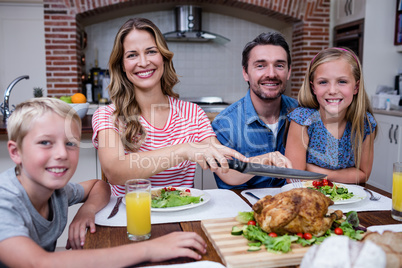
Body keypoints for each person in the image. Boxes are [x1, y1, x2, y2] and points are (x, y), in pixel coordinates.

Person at [0, 98, 207, 267]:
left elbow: (99, 185)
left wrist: (87, 210)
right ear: (15, 152)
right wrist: (150, 249)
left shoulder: (57, 192)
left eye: (70, 143)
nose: (62, 153)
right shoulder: (5, 200)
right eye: (45, 143)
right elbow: (37, 263)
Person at [92, 18, 248, 196]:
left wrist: (266, 162)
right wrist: (184, 150)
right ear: (122, 65)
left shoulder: (193, 114)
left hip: (181, 217)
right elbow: (115, 172)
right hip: (129, 218)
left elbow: (229, 173)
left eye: (151, 51)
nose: (143, 62)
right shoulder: (108, 115)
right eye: (132, 55)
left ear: (163, 58)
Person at [211, 32, 297, 189]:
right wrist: (263, 159)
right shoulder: (224, 124)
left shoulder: (300, 114)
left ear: (288, 71)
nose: (271, 74)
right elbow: (227, 174)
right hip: (243, 209)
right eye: (260, 66)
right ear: (245, 73)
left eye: (279, 65)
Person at [285, 47, 377, 184]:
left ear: (356, 87)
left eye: (342, 81)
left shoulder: (364, 123)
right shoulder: (303, 120)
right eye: (323, 82)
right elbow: (294, 177)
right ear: (313, 88)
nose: (332, 90)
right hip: (308, 198)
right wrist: (345, 175)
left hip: (349, 199)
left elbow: (362, 175)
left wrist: (316, 171)